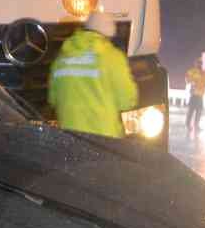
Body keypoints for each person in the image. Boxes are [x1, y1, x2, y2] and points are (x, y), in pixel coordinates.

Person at [48, 9, 138, 138]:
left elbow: (53, 99)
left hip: (70, 140)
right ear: (107, 34)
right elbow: (128, 100)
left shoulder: (61, 58)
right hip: (103, 141)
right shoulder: (112, 57)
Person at [183, 58, 205, 135]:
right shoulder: (191, 71)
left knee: (199, 111)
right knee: (191, 110)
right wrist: (192, 81)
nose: (199, 64)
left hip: (200, 94)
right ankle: (188, 124)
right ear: (195, 63)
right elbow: (187, 80)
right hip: (194, 94)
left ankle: (196, 125)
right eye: (198, 63)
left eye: (200, 63)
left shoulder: (203, 72)